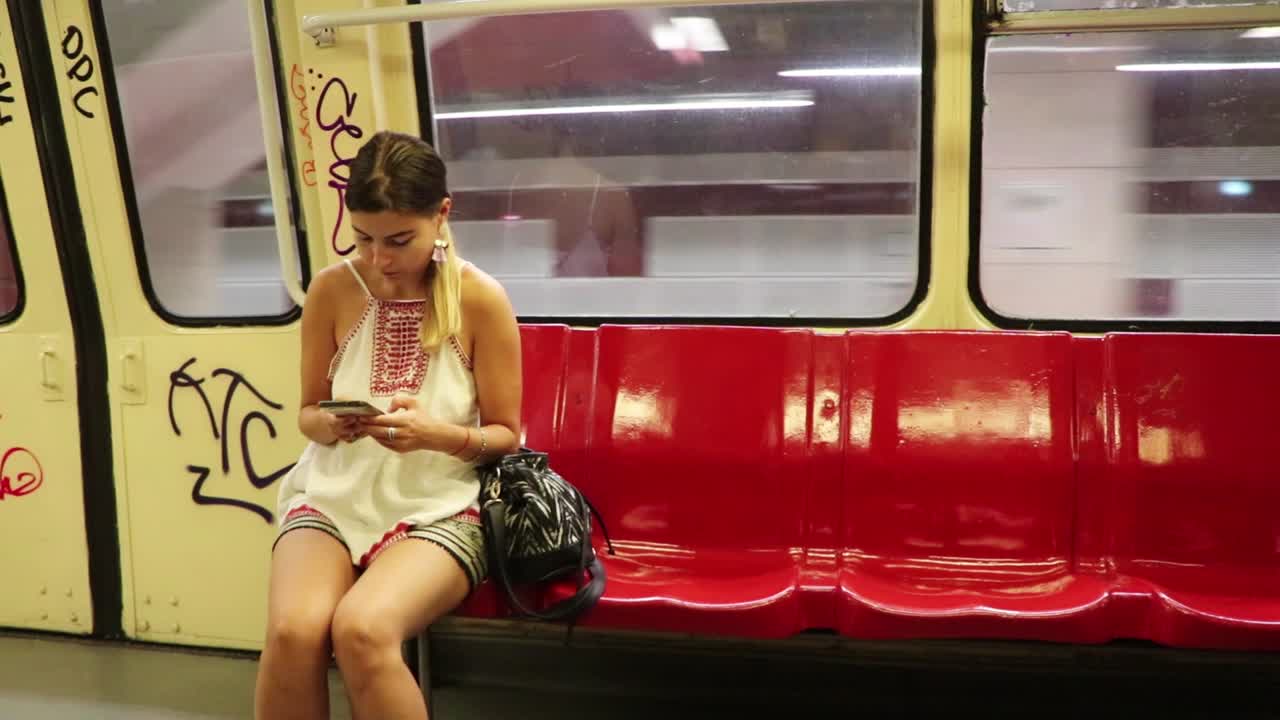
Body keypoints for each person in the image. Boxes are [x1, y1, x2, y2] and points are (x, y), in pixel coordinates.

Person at [254, 130, 522, 720]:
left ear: (441, 215)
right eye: (364, 239)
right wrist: (331, 425)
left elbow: (506, 434)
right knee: (293, 632)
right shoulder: (330, 290)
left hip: (440, 503)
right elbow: (307, 411)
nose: (380, 259)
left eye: (400, 240)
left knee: (363, 630)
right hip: (333, 492)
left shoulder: (481, 300)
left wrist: (438, 435)